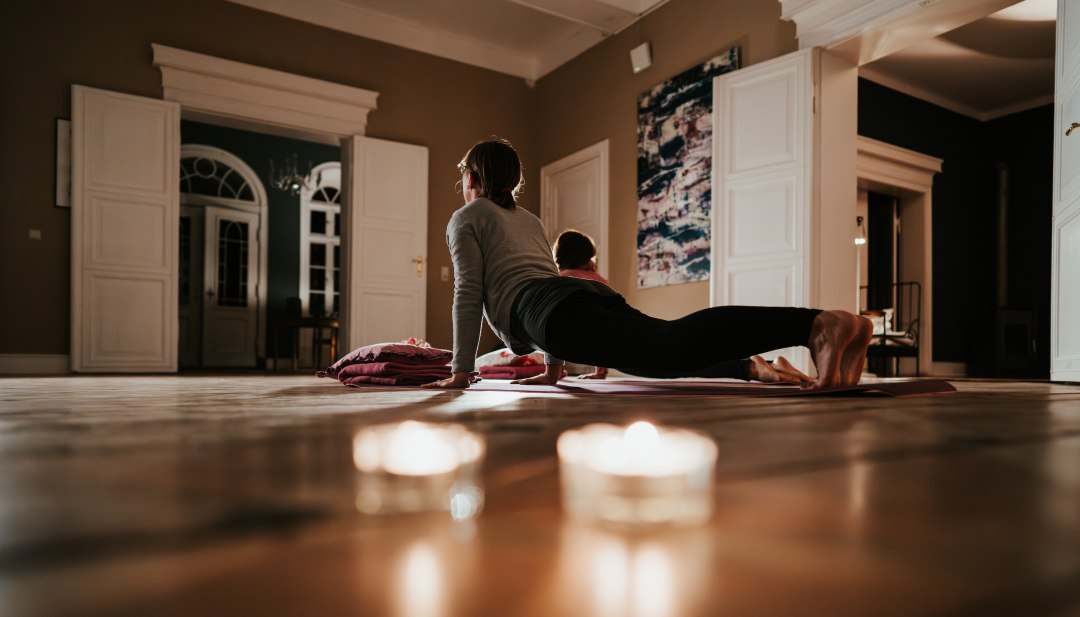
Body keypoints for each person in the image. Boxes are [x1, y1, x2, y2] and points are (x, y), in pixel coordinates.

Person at [422, 138, 872, 390]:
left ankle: (817, 326)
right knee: (665, 345)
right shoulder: (529, 219)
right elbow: (546, 284)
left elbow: (469, 293)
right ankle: (825, 338)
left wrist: (461, 373)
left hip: (552, 309)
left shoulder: (467, 216)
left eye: (464, 179)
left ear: (473, 179)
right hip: (581, 296)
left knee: (666, 348)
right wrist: (554, 369)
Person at [552, 229, 809, 384]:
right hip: (631, 332)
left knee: (677, 364)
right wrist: (600, 368)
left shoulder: (561, 281)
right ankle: (770, 362)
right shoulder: (596, 279)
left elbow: (562, 329)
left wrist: (556, 369)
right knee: (688, 355)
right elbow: (607, 320)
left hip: (627, 342)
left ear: (559, 256)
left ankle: (752, 367)